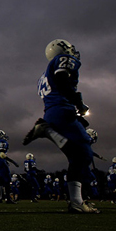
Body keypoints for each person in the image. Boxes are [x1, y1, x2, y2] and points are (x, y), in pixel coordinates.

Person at [23, 39, 99, 213]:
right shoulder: (62, 59)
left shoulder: (43, 75)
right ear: (62, 49)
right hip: (63, 109)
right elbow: (62, 78)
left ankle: (76, 202)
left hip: (51, 112)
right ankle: (47, 131)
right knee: (84, 154)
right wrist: (78, 101)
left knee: (75, 156)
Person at [0, 130, 18, 204]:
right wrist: (13, 161)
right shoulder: (2, 142)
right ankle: (8, 199)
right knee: (7, 180)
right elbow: (2, 154)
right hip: (1, 161)